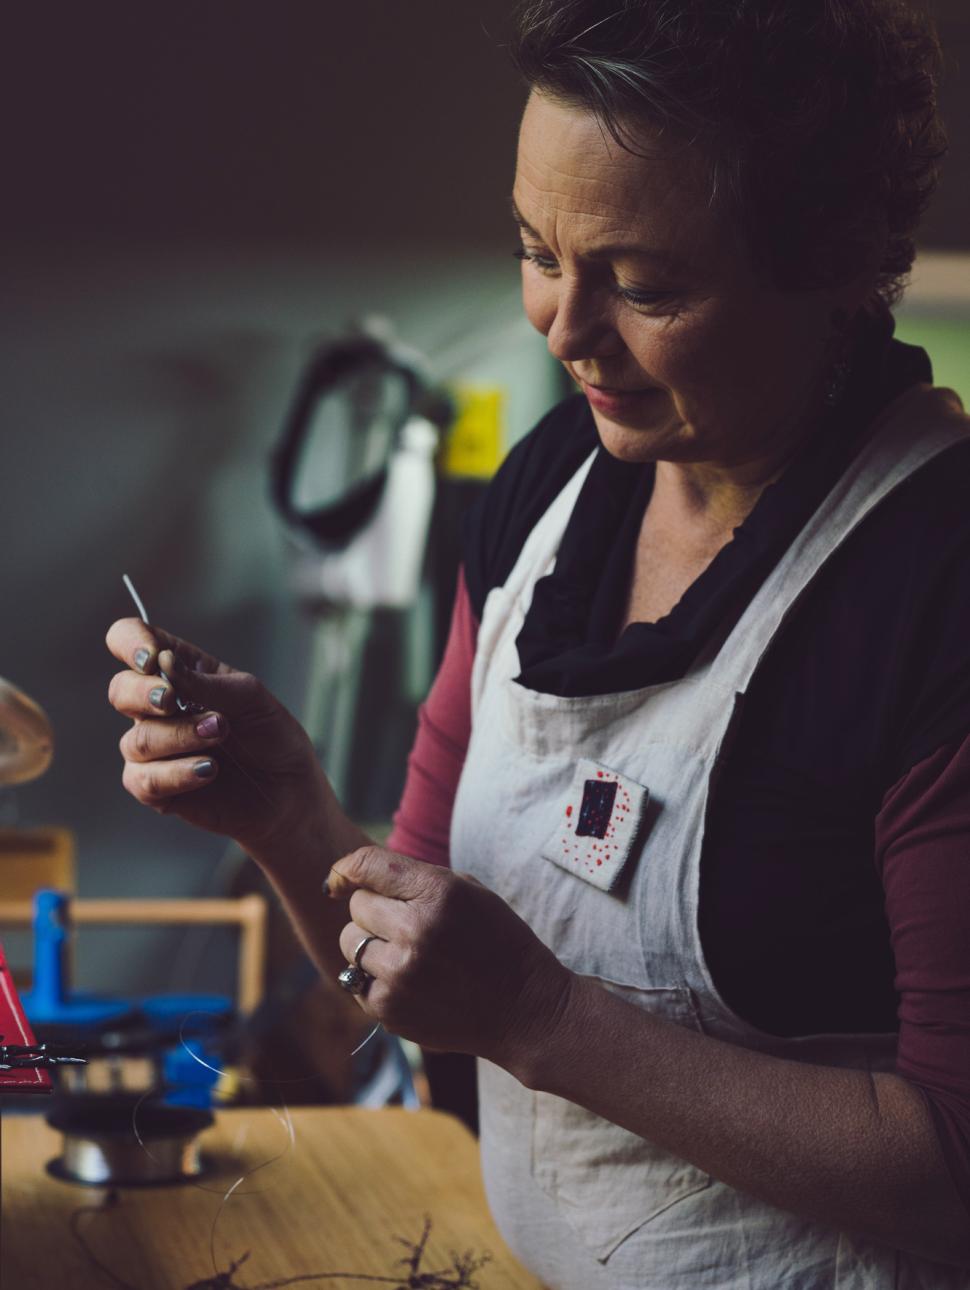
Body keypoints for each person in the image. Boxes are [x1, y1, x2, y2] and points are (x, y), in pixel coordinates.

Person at [107, 1, 970, 1285]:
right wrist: (290, 815)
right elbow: (411, 968)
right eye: (536, 251)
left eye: (646, 284)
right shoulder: (547, 490)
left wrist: (543, 1018)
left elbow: (953, 1168)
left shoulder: (932, 582)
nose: (562, 329)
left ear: (831, 262)